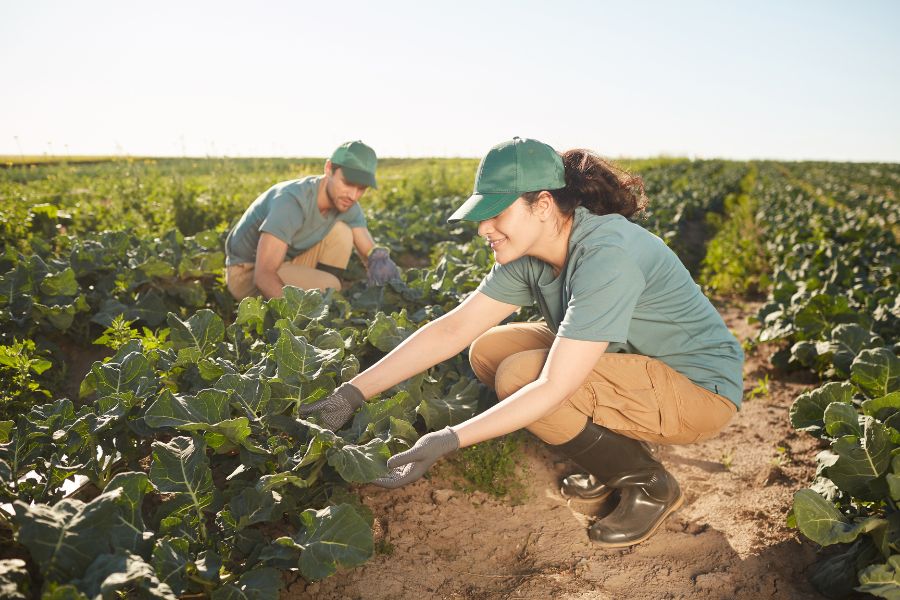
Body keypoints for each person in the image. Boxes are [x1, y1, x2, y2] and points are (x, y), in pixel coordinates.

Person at [297, 137, 744, 547]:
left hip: (699, 389)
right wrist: (350, 395)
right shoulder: (529, 254)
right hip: (635, 363)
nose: (483, 228)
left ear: (544, 205)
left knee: (521, 376)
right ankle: (616, 463)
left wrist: (447, 439)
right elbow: (453, 329)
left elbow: (552, 386)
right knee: (490, 350)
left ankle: (648, 484)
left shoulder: (606, 255)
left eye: (497, 213)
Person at [224, 140, 400, 300]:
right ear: (329, 169)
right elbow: (263, 276)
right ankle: (320, 298)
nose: (353, 195)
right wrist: (295, 316)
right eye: (347, 183)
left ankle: (322, 298)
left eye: (362, 188)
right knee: (331, 286)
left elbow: (368, 250)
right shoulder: (292, 201)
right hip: (248, 274)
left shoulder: (347, 203)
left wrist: (379, 262)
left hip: (284, 263)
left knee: (343, 232)